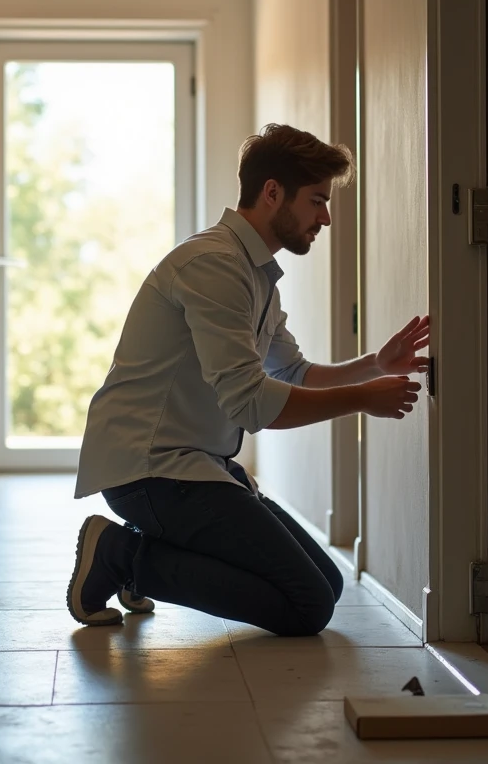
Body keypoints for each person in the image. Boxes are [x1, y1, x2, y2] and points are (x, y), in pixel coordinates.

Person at [67, 123, 430, 636]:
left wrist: (376, 364)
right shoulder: (214, 265)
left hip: (193, 467)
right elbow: (252, 406)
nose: (325, 217)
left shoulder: (255, 274)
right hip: (148, 471)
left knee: (326, 583)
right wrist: (362, 399)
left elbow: (294, 372)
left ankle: (145, 552)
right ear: (272, 192)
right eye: (317, 201)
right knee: (306, 605)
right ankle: (121, 554)